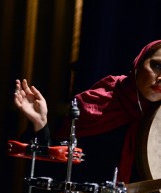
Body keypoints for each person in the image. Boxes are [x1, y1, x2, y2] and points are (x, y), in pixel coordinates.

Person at [14, 40, 161, 185]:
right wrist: (40, 124)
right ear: (138, 63)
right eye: (157, 66)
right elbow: (49, 172)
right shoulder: (98, 103)